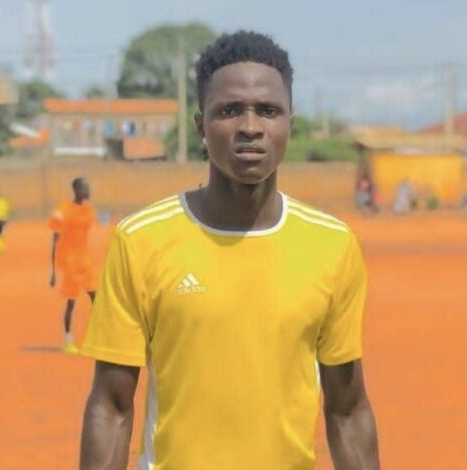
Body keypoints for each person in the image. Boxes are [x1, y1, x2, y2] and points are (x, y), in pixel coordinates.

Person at [79, 31, 380, 470]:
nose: (250, 127)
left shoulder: (332, 245)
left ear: (290, 125)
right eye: (230, 110)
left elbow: (348, 410)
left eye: (268, 111)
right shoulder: (140, 241)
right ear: (201, 126)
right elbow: (111, 406)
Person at [48, 178, 97, 354]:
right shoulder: (63, 211)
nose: (88, 191)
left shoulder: (89, 211)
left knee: (97, 298)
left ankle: (97, 338)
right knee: (71, 302)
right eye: (85, 188)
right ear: (76, 190)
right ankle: (68, 340)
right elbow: (54, 240)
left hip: (85, 260)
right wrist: (53, 271)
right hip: (70, 262)